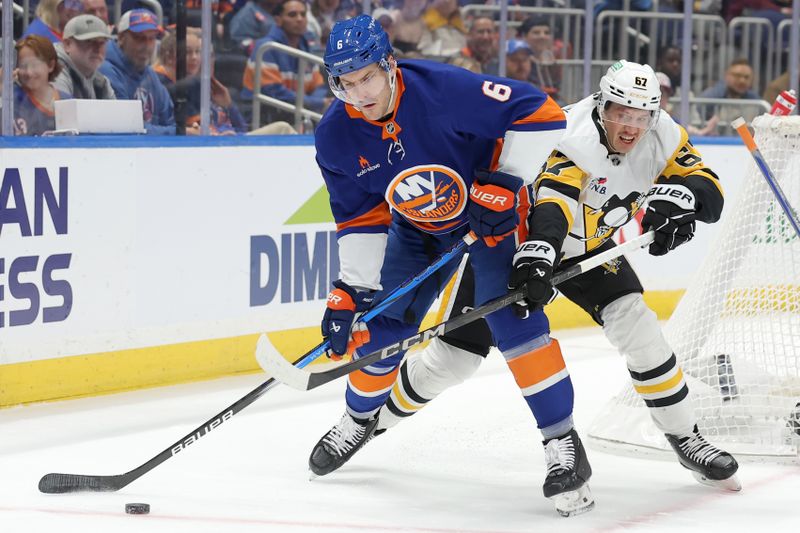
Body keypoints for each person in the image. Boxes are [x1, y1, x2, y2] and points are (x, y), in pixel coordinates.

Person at [342, 59, 742, 493]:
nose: (630, 127)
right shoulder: (569, 132)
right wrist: (538, 258)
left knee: (640, 328)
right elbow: (554, 205)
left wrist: (682, 201)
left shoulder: (664, 134)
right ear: (600, 104)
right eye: (620, 114)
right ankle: (372, 423)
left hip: (590, 250)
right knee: (451, 361)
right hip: (519, 249)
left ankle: (686, 436)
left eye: (640, 116)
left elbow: (710, 189)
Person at [310, 14, 594, 517]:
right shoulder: (336, 135)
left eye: (368, 78)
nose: (360, 94)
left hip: (493, 223)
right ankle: (359, 420)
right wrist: (351, 291)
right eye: (346, 84)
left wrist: (506, 182)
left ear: (389, 65)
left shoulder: (444, 89)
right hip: (417, 228)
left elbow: (545, 114)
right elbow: (360, 216)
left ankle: (562, 445)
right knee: (378, 328)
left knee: (514, 327)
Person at [242, 0, 330, 114]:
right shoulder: (266, 48)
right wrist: (316, 102)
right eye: (292, 15)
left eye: (303, 14)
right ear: (278, 20)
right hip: (264, 116)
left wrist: (320, 101)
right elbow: (274, 92)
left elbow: (318, 86)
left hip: (297, 113)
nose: (299, 19)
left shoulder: (305, 48)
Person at [99, 9, 176, 135]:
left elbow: (170, 119)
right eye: (139, 38)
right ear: (121, 38)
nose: (146, 46)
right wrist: (177, 132)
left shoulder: (150, 74)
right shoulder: (107, 71)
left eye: (151, 39)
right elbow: (127, 128)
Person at [11, 35, 71, 135]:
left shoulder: (68, 103)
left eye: (35, 65)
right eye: (22, 66)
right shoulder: (9, 100)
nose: (29, 72)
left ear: (50, 65)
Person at [53, 14, 116, 99]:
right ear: (67, 44)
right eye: (89, 41)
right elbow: (63, 111)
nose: (97, 49)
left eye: (102, 42)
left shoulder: (101, 82)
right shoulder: (55, 72)